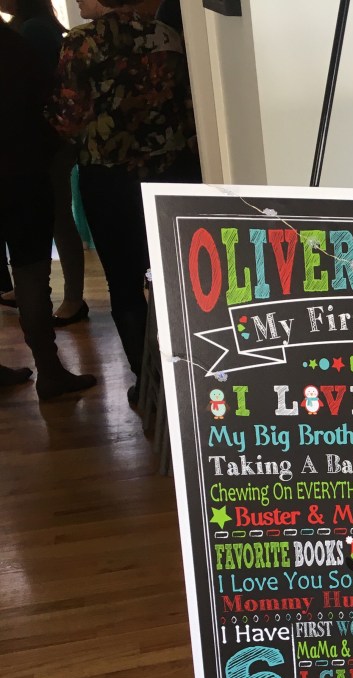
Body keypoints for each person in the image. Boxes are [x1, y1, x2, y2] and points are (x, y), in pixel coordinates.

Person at [49, 0, 200, 405]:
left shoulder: (81, 43)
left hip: (109, 180)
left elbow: (68, 119)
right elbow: (189, 108)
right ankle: (189, 378)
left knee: (123, 282)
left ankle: (149, 385)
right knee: (174, 279)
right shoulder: (166, 36)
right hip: (171, 174)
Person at [0, 22, 97, 399]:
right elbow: (49, 108)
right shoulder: (15, 48)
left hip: (21, 171)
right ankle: (50, 370)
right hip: (22, 175)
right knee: (31, 277)